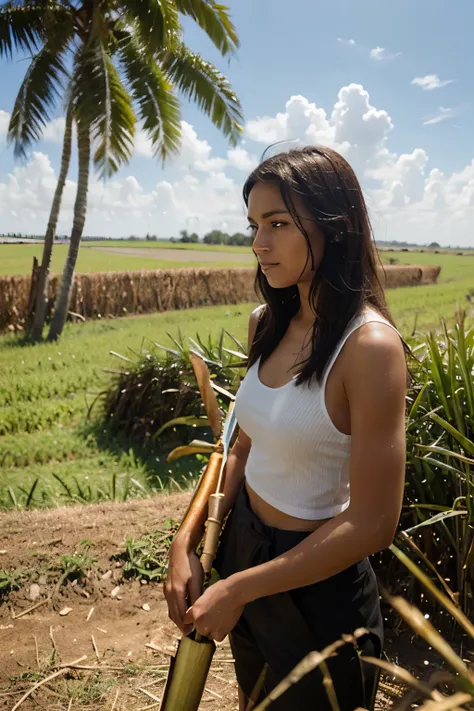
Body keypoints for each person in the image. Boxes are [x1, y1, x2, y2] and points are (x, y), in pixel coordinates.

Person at [164, 145, 408, 710]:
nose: (259, 244)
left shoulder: (369, 348)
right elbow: (241, 448)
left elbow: (374, 522)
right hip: (246, 553)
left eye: (277, 224)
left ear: (335, 225)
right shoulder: (267, 323)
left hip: (317, 591)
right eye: (253, 225)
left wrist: (240, 588)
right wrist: (185, 542)